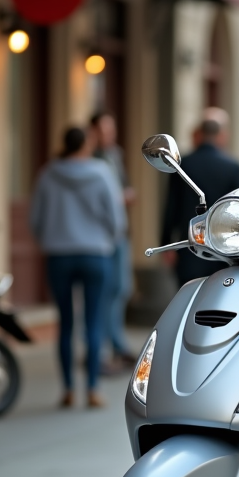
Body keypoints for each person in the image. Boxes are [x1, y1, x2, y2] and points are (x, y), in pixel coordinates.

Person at [30, 126, 126, 408]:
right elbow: (116, 218)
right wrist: (108, 241)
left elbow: (35, 219)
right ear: (86, 145)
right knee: (94, 321)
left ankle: (68, 389)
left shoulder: (47, 174)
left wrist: (49, 240)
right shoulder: (102, 172)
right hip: (96, 254)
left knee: (65, 323)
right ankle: (93, 388)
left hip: (59, 254)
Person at [160, 107, 239, 285]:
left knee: (189, 296)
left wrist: (166, 244)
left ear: (200, 134)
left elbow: (172, 206)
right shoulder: (232, 167)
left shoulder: (183, 165)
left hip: (190, 248)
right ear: (220, 135)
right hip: (223, 251)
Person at [90, 111, 137, 372]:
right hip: (100, 237)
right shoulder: (91, 160)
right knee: (103, 292)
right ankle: (100, 351)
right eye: (104, 130)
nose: (109, 135)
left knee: (121, 288)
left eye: (111, 130)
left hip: (120, 233)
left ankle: (117, 344)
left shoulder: (115, 154)